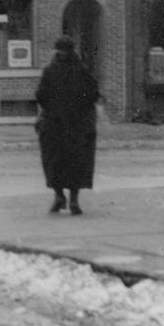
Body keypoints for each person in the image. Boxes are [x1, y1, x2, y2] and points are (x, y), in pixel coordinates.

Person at [35, 36, 101, 215]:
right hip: (77, 126)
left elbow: (40, 95)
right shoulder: (82, 71)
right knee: (76, 163)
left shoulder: (50, 71)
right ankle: (74, 200)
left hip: (54, 125)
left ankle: (58, 196)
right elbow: (94, 94)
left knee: (54, 162)